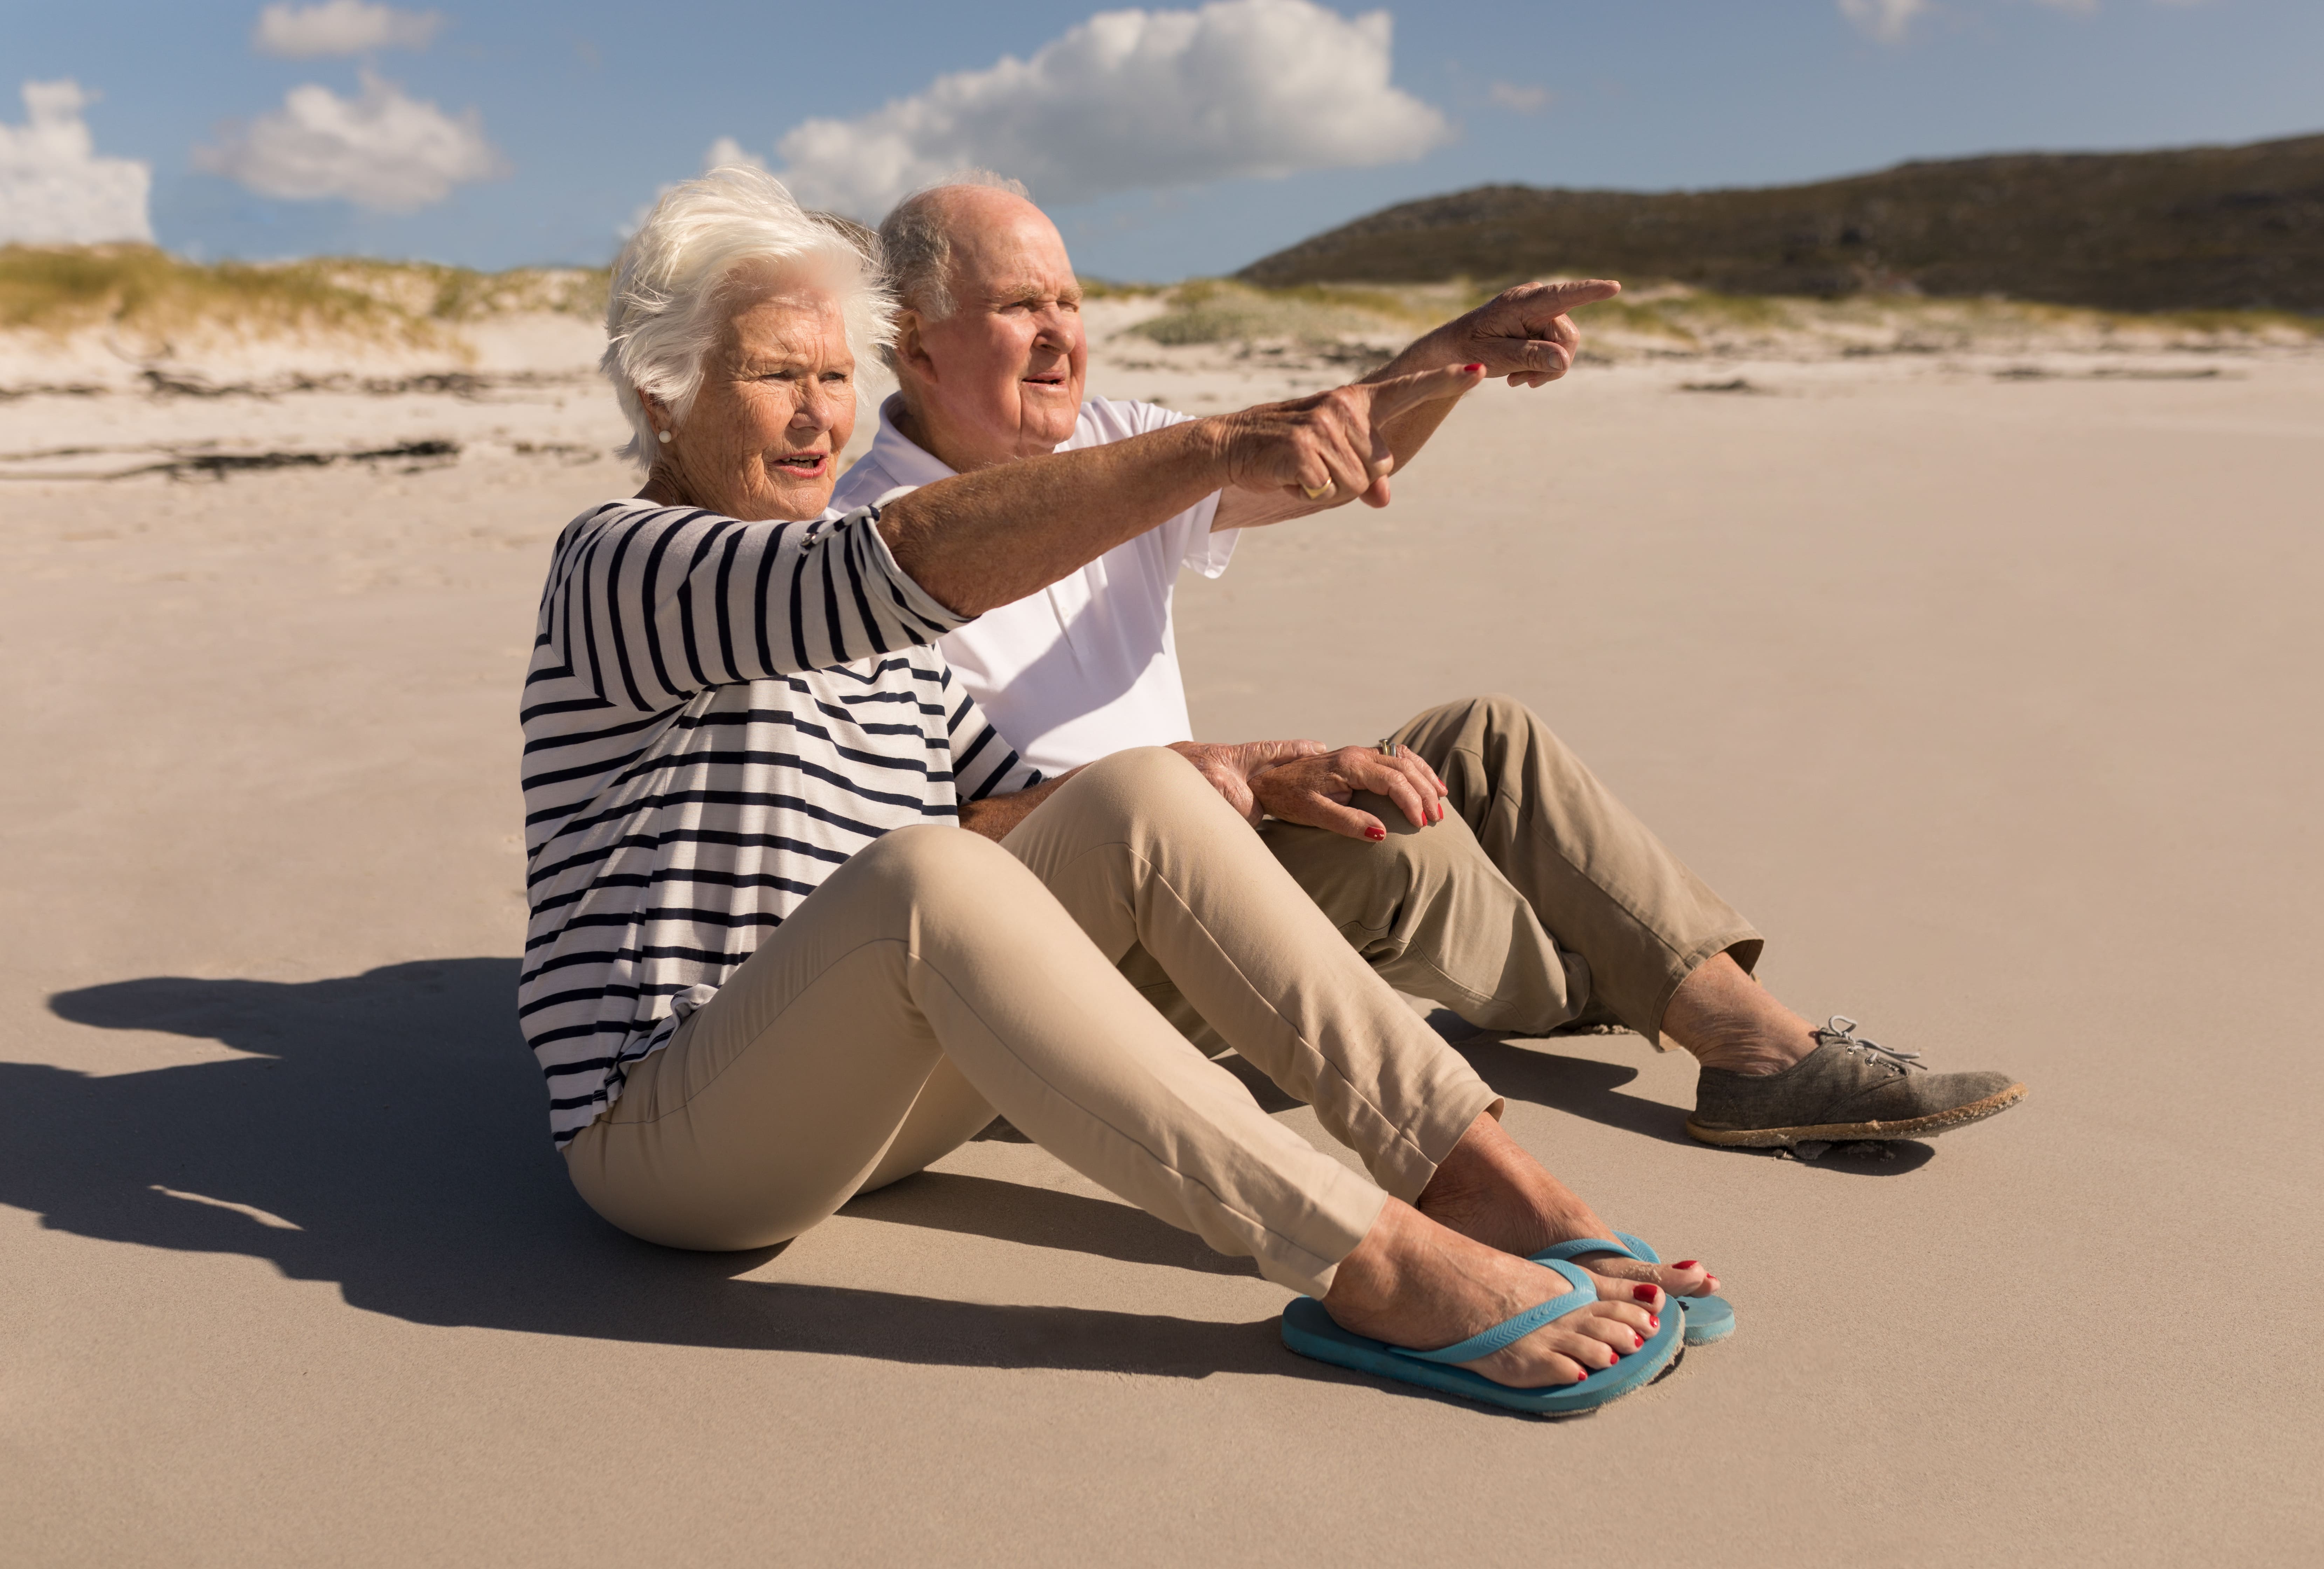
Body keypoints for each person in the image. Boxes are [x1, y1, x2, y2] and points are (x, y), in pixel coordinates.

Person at [520, 166, 1719, 1411]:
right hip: (671, 1137)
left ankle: (1476, 1174)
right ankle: (1374, 1261)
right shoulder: (624, 565)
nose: (821, 417)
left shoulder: (883, 647)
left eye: (835, 378)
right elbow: (899, 565)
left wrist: (1243, 773)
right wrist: (1214, 448)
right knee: (925, 875)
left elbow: (1021, 814)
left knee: (1136, 795)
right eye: (778, 376)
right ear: (664, 398)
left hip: (867, 1113)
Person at [832, 175, 2026, 1152]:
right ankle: (1628, 982)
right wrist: (1211, 778)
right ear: (911, 341)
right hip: (1065, 960)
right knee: (1400, 837)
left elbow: (1312, 455)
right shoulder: (854, 553)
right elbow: (903, 852)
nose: (1060, 337)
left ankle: (1747, 1041)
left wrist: (1456, 357)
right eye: (1018, 308)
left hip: (1208, 841)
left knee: (1480, 741)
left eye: (1070, 302)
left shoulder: (1116, 446)